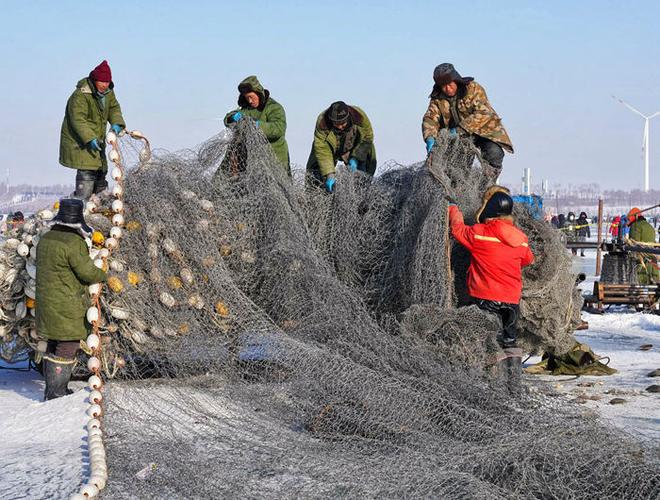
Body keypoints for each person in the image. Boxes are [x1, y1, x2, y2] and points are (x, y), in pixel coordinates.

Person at [448, 186, 534, 387]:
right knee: (510, 341)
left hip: (486, 298)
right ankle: (513, 386)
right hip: (512, 301)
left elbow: (457, 230)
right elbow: (528, 259)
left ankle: (490, 384)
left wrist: (453, 210)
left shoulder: (480, 234)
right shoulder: (521, 239)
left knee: (486, 340)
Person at [36, 199, 107, 400]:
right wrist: (104, 274)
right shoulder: (73, 243)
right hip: (65, 302)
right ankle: (56, 391)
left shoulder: (46, 238)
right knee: (68, 343)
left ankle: (51, 389)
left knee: (53, 341)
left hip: (46, 301)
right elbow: (87, 273)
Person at [422, 63, 513, 178]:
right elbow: (430, 118)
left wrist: (459, 130)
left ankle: (486, 186)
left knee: (494, 153)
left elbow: (483, 113)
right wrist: (430, 137)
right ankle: (460, 189)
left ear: (456, 80)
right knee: (458, 169)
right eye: (443, 86)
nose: (448, 89)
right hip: (460, 139)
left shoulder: (473, 89)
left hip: (484, 133)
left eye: (450, 84)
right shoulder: (437, 98)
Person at [60, 60, 125, 200]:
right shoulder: (80, 95)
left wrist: (117, 122)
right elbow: (78, 120)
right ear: (95, 80)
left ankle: (99, 203)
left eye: (107, 82)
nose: (104, 85)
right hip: (80, 142)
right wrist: (89, 138)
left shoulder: (108, 93)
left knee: (101, 170)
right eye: (102, 82)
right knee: (87, 169)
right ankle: (82, 203)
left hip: (98, 139)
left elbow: (114, 108)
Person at [224, 75, 290, 175]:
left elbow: (279, 129)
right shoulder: (247, 109)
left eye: (251, 97)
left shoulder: (274, 108)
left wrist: (258, 126)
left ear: (258, 93)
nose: (250, 101)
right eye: (247, 98)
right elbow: (228, 119)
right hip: (253, 163)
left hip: (274, 159)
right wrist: (232, 117)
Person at [306, 101, 377, 193]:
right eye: (336, 124)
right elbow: (321, 149)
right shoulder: (322, 121)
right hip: (331, 147)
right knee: (315, 169)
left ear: (348, 117)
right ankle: (316, 196)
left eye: (342, 123)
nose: (339, 127)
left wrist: (357, 157)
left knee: (368, 155)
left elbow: (367, 137)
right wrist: (329, 174)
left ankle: (362, 194)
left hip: (353, 145)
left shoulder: (359, 115)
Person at [627, 207, 659, 284]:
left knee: (641, 283)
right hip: (652, 259)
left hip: (641, 260)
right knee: (654, 285)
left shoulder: (635, 226)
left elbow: (634, 244)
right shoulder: (649, 226)